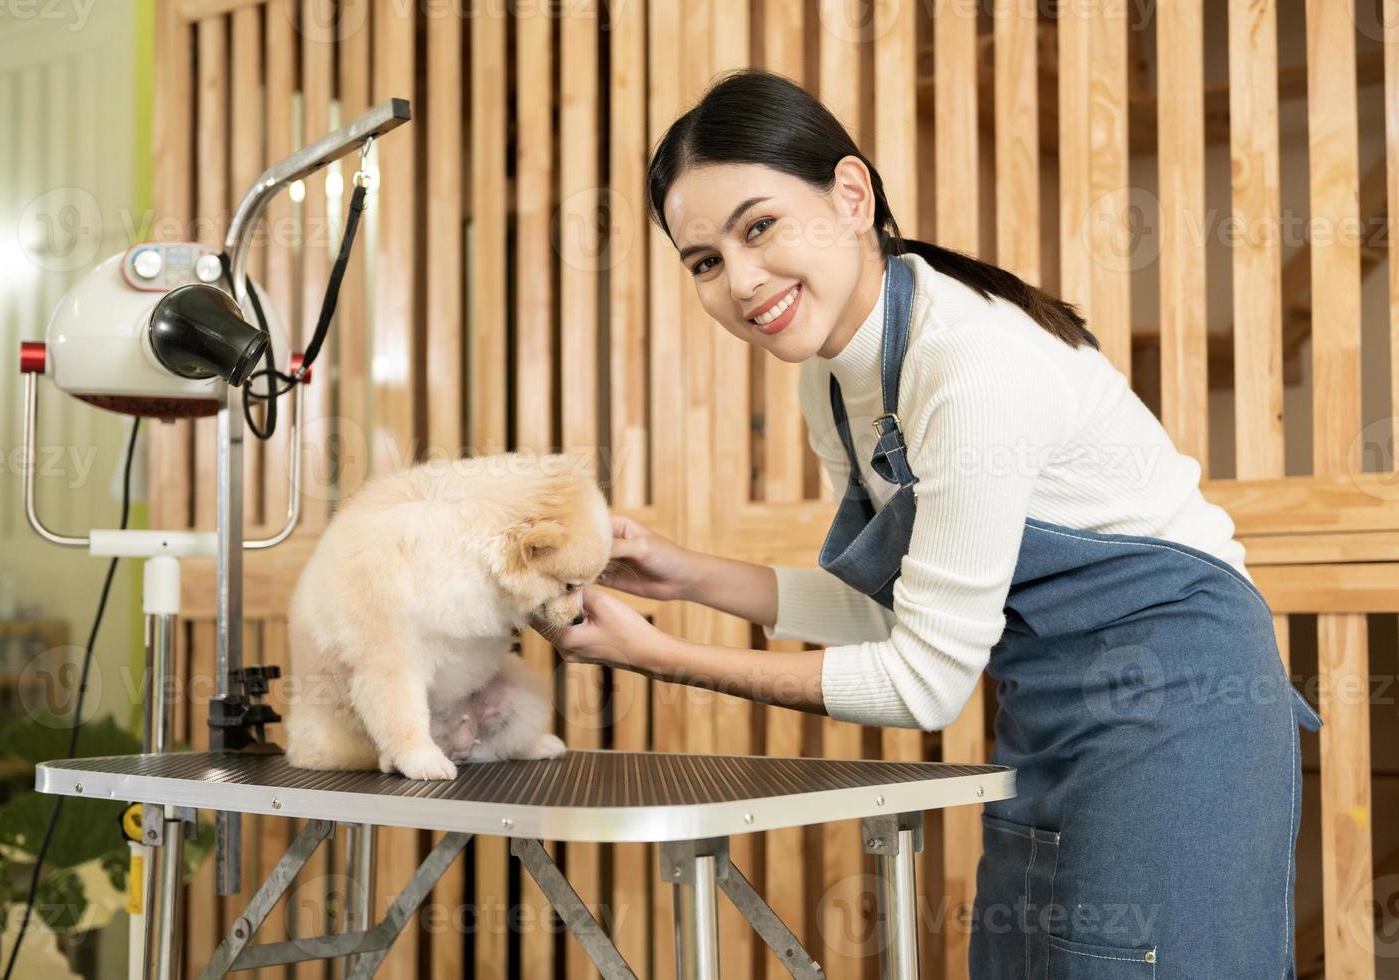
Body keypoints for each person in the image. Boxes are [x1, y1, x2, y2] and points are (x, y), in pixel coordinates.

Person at [549, 68, 1322, 978]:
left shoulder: (969, 366)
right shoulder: (829, 379)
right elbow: (889, 616)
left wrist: (659, 655)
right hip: (1048, 710)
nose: (741, 281)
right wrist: (686, 577)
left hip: (1178, 713)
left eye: (757, 226)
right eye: (705, 262)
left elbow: (922, 687)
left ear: (848, 194)